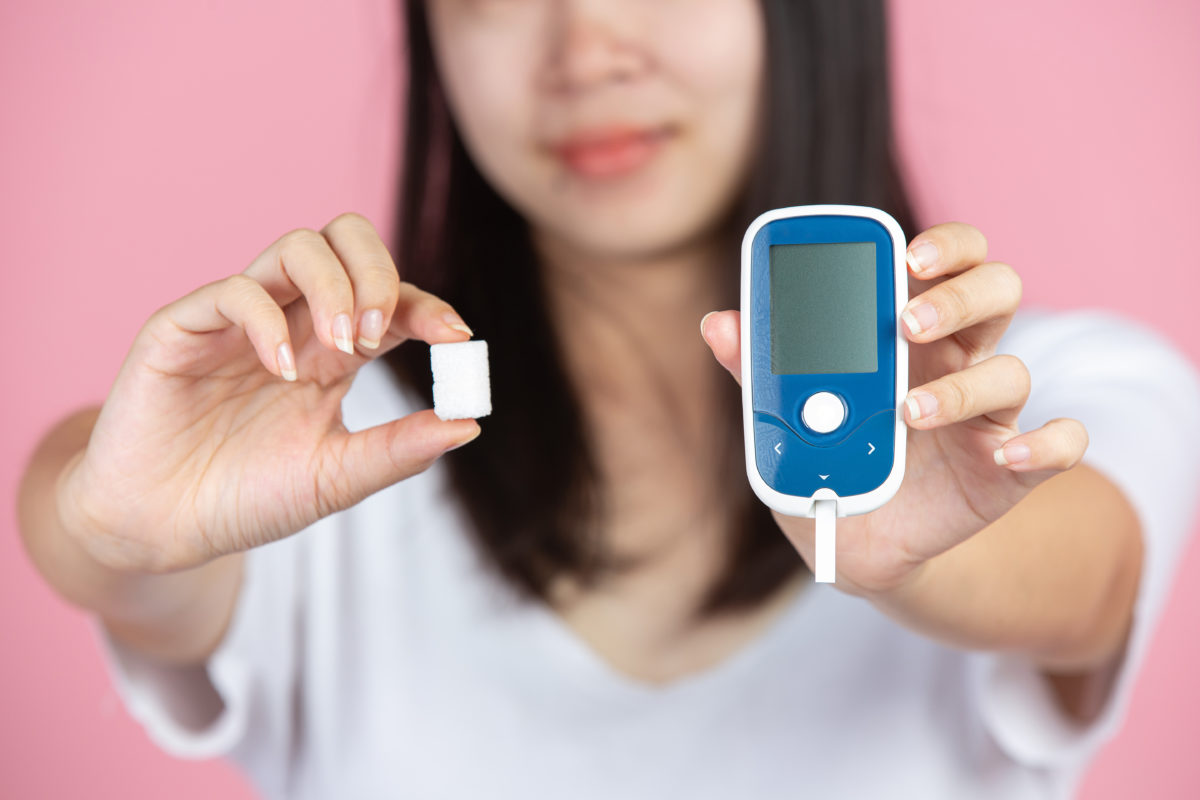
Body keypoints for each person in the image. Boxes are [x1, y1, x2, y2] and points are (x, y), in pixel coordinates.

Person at [16, 1, 1200, 798]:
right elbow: (106, 523)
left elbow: (1085, 577)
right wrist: (108, 520)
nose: (583, 47)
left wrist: (905, 539)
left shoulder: (1058, 390)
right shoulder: (320, 443)